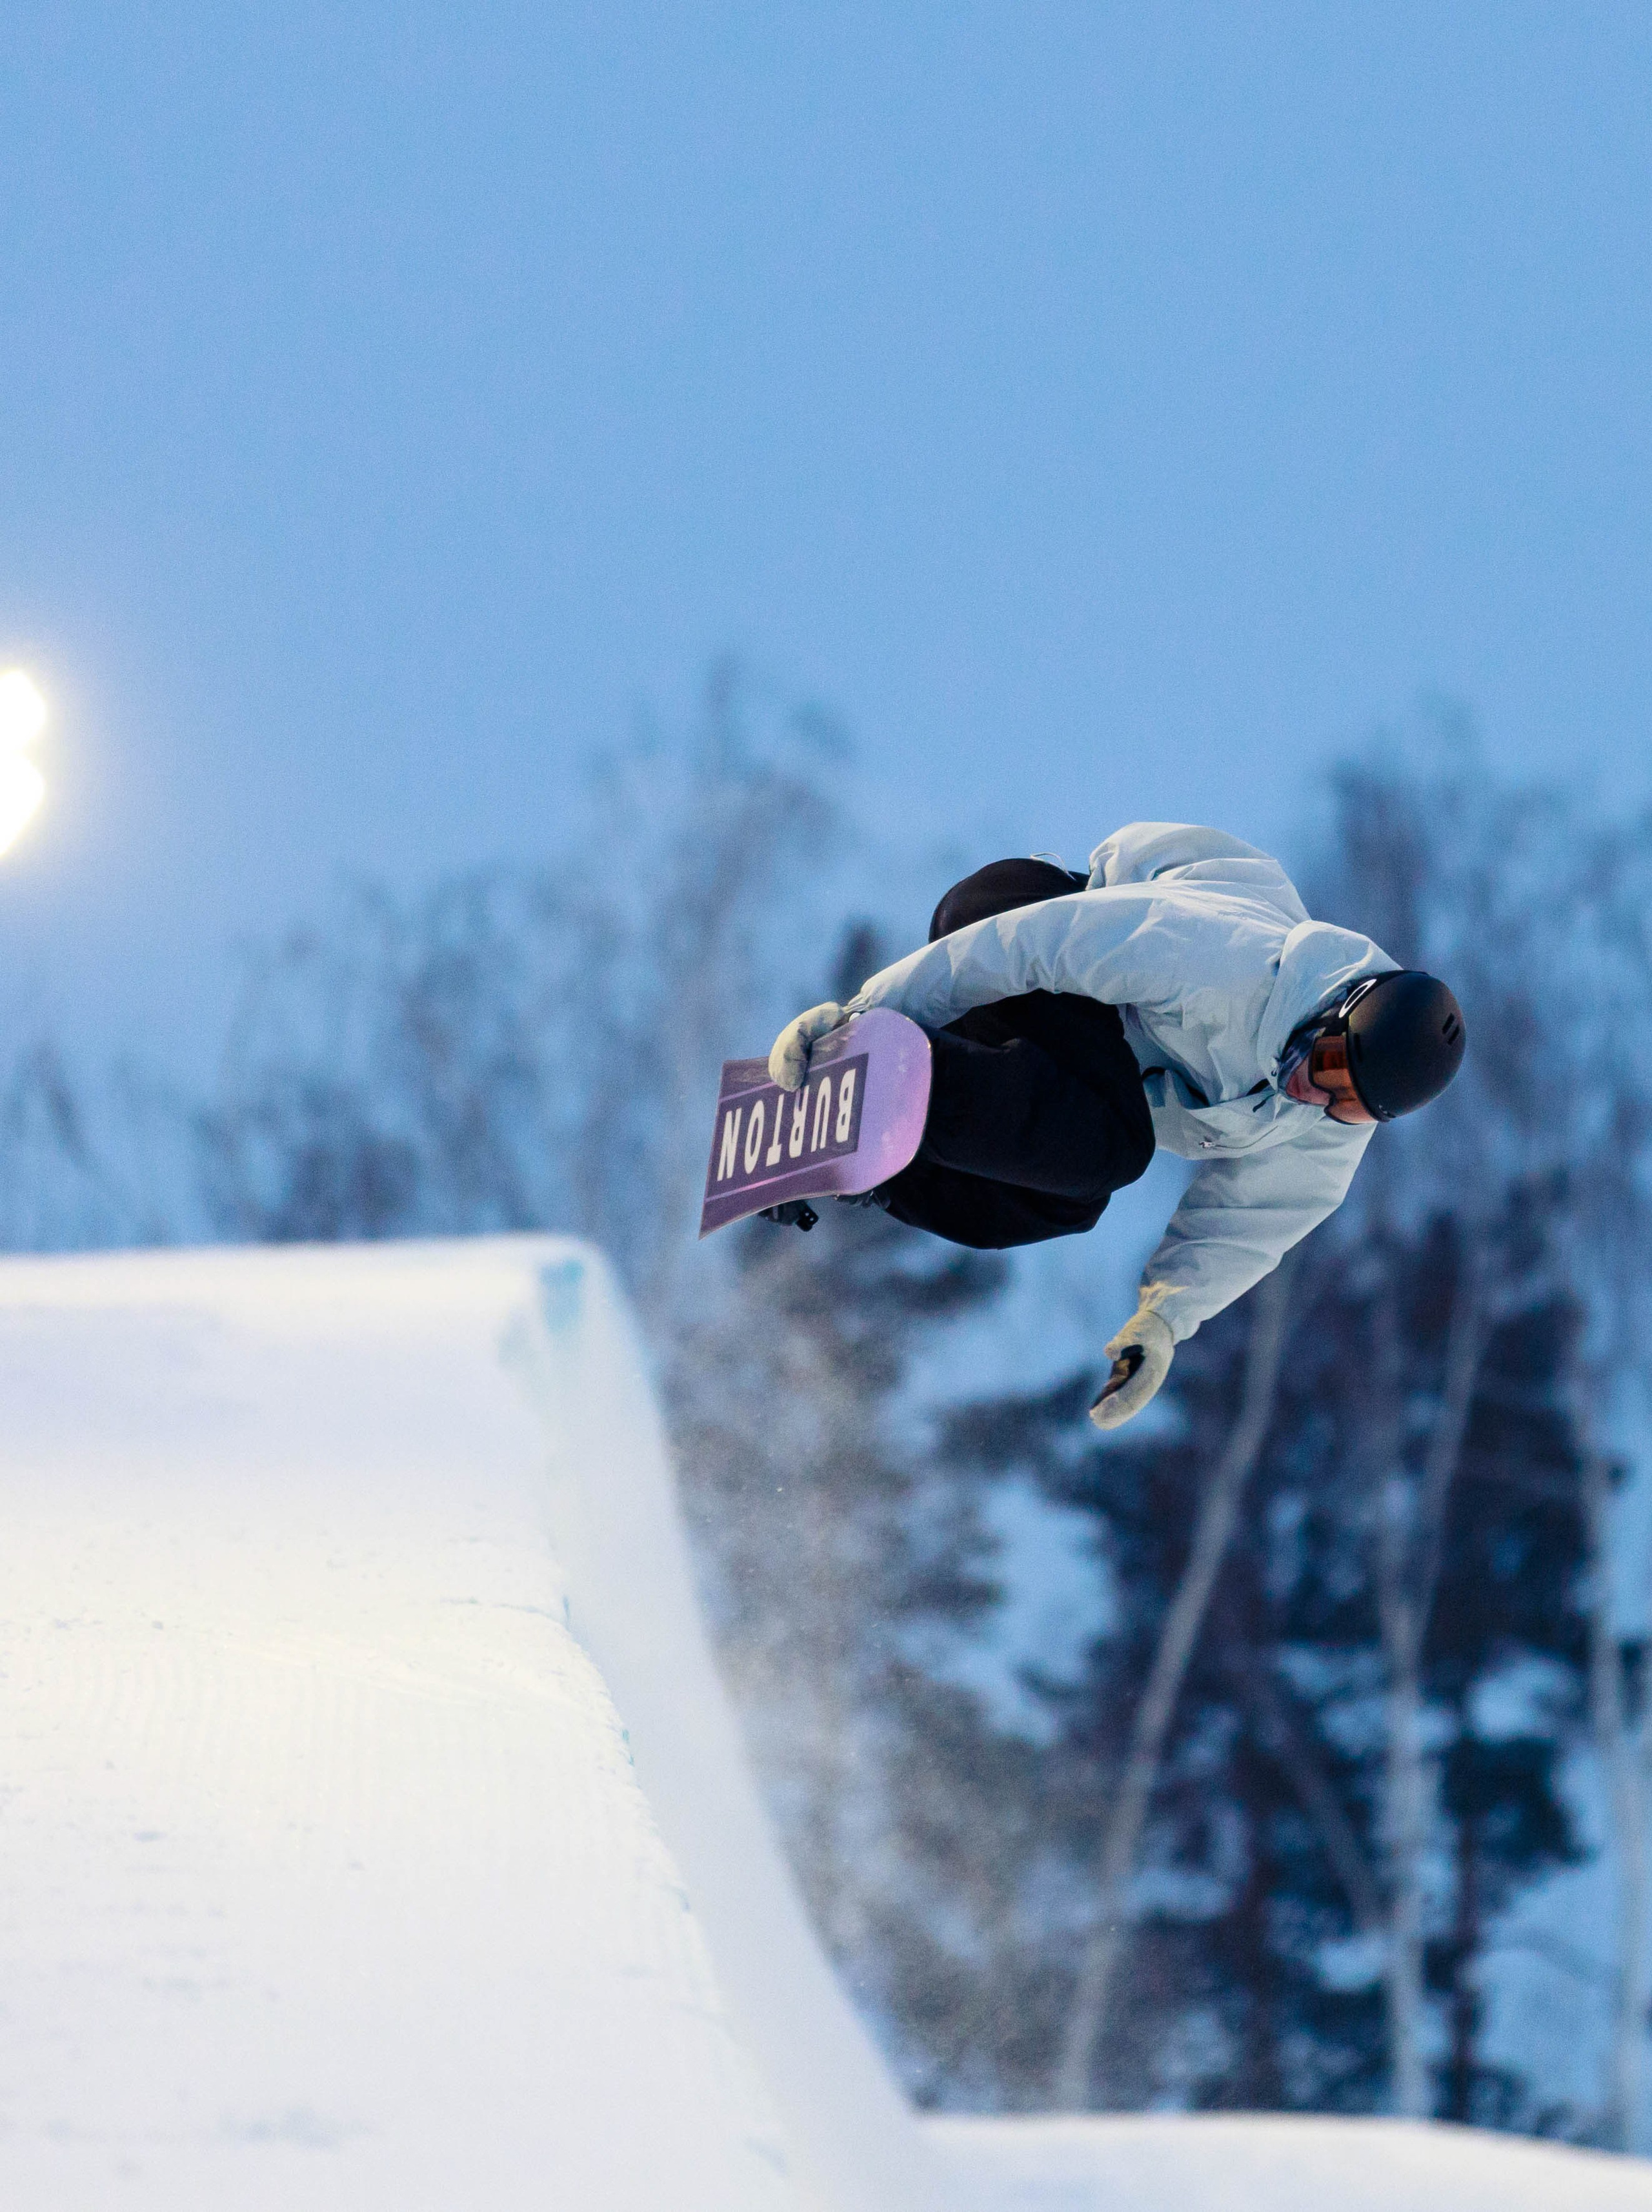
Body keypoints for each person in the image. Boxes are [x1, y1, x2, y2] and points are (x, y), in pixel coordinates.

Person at [767, 823, 1465, 1431]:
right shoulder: (1226, 960)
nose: (1314, 1092)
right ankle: (876, 1084)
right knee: (1110, 1147)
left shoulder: (1324, 1120)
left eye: (1347, 1105)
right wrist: (868, 1015)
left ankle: (872, 1165)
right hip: (1018, 919)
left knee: (1065, 1200)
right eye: (1330, 1063)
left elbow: (1248, 1224)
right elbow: (1035, 943)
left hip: (1066, 1033)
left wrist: (1161, 1323)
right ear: (1338, 1008)